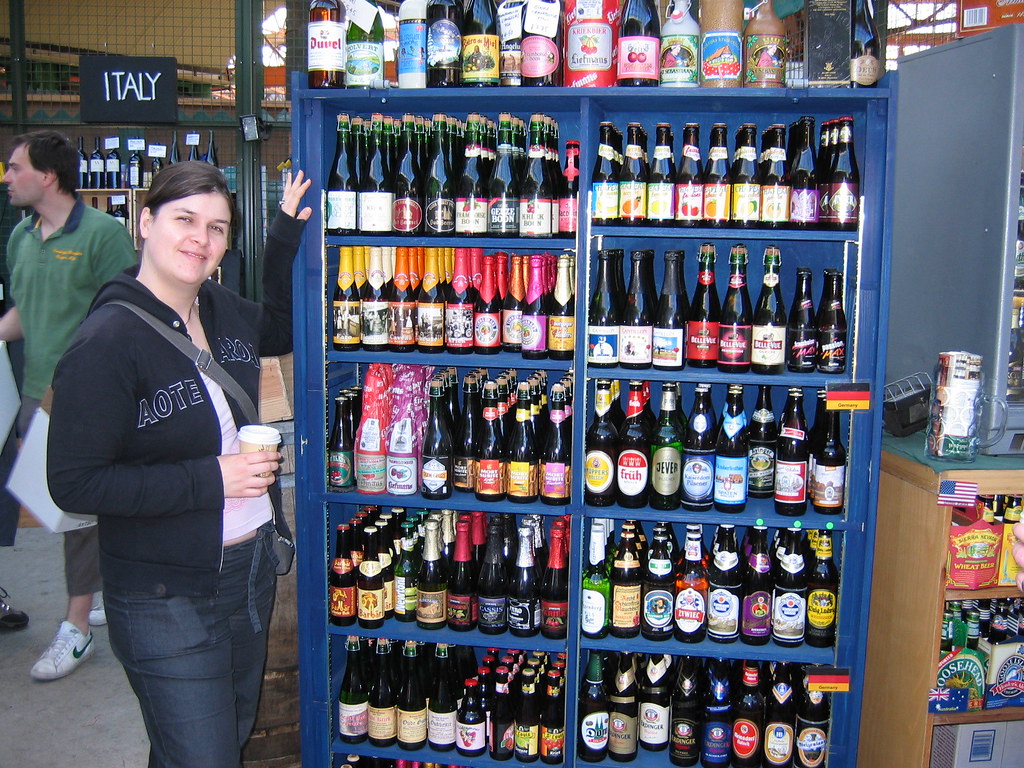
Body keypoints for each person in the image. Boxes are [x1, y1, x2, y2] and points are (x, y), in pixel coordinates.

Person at [46, 160, 312, 766]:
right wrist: (211, 478)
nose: (201, 238)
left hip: (246, 574)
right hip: (162, 590)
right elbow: (73, 482)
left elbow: (277, 327)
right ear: (145, 222)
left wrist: (283, 236)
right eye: (185, 219)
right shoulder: (107, 341)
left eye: (218, 228)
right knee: (205, 755)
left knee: (219, 737)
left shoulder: (219, 311)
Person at [1, 130, 137, 675]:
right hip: (31, 392)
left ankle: (76, 626)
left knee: (72, 511)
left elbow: (128, 309)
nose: (7, 178)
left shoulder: (103, 235)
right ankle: (97, 593)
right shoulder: (21, 238)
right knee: (57, 505)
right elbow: (24, 315)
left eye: (14, 168)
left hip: (82, 395)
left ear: (48, 176)